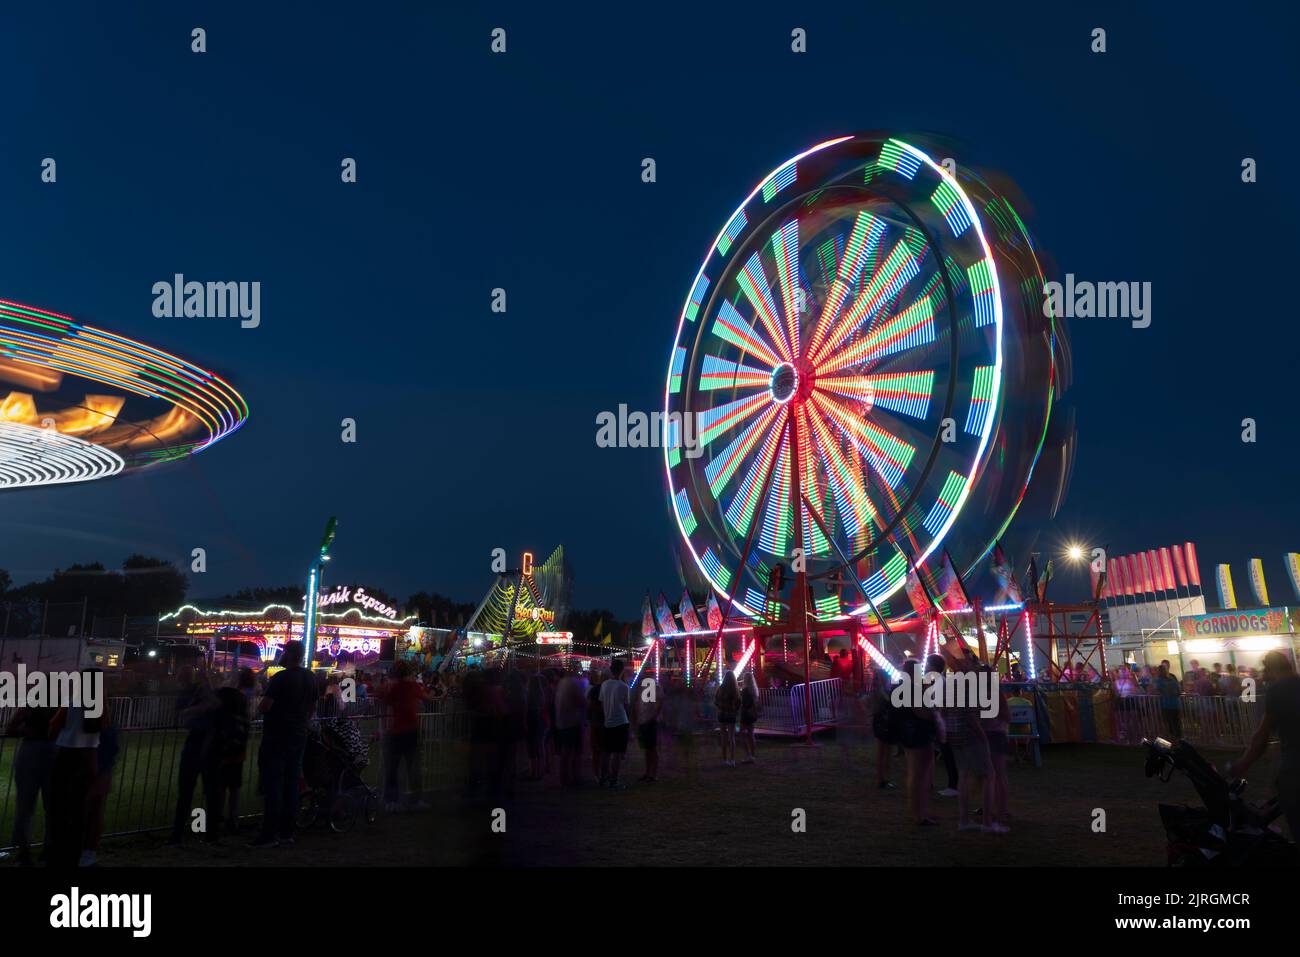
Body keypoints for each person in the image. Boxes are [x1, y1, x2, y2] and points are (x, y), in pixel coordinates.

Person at [251, 642, 319, 848]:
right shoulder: (311, 678)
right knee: (291, 783)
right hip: (298, 734)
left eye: (283, 652)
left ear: (288, 654)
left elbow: (265, 706)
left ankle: (269, 833)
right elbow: (312, 707)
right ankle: (287, 831)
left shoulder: (280, 678)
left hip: (278, 734)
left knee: (273, 783)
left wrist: (255, 711)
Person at [1229, 650, 1300, 841]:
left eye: (1266, 670)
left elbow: (1262, 736)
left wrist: (1242, 764)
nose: (1264, 675)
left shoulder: (1278, 690)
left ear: (1273, 668)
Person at [46, 672, 105, 868]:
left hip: (66, 754)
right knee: (80, 810)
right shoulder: (100, 705)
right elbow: (105, 727)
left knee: (60, 806)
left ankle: (58, 852)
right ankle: (76, 853)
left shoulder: (72, 702)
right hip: (88, 756)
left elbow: (53, 726)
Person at [168, 666, 219, 845]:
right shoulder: (195, 692)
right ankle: (196, 832)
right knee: (199, 790)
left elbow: (212, 704)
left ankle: (187, 833)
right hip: (201, 741)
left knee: (195, 789)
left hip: (201, 742)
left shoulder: (200, 691)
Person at [5, 705, 57, 866]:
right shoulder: (61, 706)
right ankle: (45, 852)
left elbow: (11, 728)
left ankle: (25, 853)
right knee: (51, 807)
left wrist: (24, 731)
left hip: (33, 752)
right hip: (50, 752)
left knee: (26, 807)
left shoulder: (31, 706)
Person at [897, 658, 943, 826]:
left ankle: (919, 811)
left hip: (909, 732)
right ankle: (920, 814)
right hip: (918, 733)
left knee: (916, 775)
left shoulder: (904, 687)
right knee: (920, 776)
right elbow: (921, 712)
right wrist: (934, 714)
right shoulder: (913, 689)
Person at [379, 660, 429, 810]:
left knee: (392, 768)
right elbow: (425, 697)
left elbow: (385, 700)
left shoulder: (394, 688)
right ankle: (416, 800)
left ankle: (392, 801)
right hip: (411, 731)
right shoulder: (413, 686)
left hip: (395, 732)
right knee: (413, 767)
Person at [208, 675, 252, 838]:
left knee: (220, 787)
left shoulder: (222, 697)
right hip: (238, 750)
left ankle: (215, 821)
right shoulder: (242, 700)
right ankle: (232, 821)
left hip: (222, 749)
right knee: (234, 788)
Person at [82, 702, 118, 866]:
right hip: (100, 766)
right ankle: (88, 852)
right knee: (94, 811)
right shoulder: (106, 721)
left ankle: (87, 851)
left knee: (90, 810)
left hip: (95, 767)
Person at [982, 668, 1011, 833]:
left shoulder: (982, 693)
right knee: (995, 775)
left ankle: (997, 810)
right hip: (993, 734)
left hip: (989, 734)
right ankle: (997, 810)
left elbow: (1006, 715)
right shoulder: (991, 693)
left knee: (993, 775)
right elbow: (1006, 716)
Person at [598, 660, 631, 787]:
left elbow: (601, 704)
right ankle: (614, 779)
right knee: (617, 753)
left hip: (608, 721)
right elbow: (626, 707)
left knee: (606, 752)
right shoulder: (623, 686)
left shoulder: (604, 684)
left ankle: (603, 777)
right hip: (621, 721)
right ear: (622, 670)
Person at [554, 669, 586, 786]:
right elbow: (581, 701)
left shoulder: (562, 683)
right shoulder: (573, 683)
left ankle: (564, 777)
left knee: (566, 751)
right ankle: (574, 777)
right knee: (575, 752)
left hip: (562, 721)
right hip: (573, 721)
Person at [870, 667, 900, 789]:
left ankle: (882, 778)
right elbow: (888, 702)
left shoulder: (877, 689)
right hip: (884, 721)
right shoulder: (881, 690)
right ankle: (884, 779)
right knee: (885, 752)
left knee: (883, 752)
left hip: (880, 721)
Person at [632, 671, 662, 782]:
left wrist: (653, 716)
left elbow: (659, 701)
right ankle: (648, 772)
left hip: (649, 720)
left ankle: (652, 774)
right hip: (644, 719)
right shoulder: (644, 686)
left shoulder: (653, 685)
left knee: (651, 748)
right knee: (647, 748)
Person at [524, 673, 548, 781]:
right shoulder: (542, 695)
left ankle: (533, 771)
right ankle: (540, 771)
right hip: (540, 721)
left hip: (531, 721)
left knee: (531, 748)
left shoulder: (527, 695)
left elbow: (525, 710)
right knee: (540, 746)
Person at [714, 671, 740, 767]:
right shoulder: (735, 690)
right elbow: (738, 702)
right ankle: (732, 759)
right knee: (731, 737)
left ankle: (724, 759)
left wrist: (720, 707)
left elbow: (716, 700)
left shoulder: (721, 689)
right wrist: (734, 710)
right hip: (731, 715)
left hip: (722, 714)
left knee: (723, 737)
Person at [1153, 663, 1182, 740]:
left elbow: (1157, 691)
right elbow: (1179, 691)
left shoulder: (1159, 681)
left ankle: (1173, 739)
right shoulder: (1172, 679)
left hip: (1166, 704)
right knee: (1176, 722)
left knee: (1169, 723)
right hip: (1175, 704)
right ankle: (1179, 738)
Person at [586, 670, 606, 782]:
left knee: (596, 751)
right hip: (604, 722)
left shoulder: (594, 689)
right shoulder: (606, 689)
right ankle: (603, 773)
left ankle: (597, 774)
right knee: (604, 750)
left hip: (595, 722)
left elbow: (588, 705)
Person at [737, 671, 760, 764]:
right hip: (752, 714)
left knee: (742, 734)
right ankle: (753, 755)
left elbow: (744, 703)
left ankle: (748, 755)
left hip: (746, 714)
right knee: (751, 735)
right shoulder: (754, 690)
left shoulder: (745, 690)